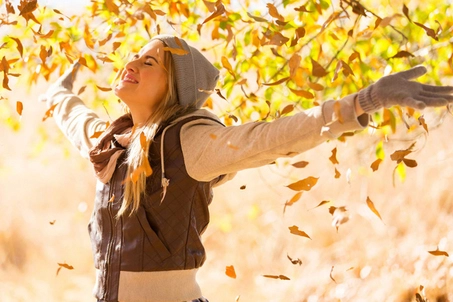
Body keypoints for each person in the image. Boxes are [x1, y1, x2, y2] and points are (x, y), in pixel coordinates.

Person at [39, 34, 453, 302]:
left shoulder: (190, 141)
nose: (133, 63)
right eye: (136, 55)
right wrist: (57, 92)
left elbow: (269, 137)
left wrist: (362, 102)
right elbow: (75, 117)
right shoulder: (111, 141)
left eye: (150, 63)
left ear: (175, 87)